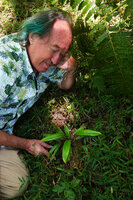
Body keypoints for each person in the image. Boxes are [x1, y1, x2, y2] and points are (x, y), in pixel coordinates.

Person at [0, 8, 77, 199]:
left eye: (63, 53)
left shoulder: (46, 60)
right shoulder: (4, 68)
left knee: (15, 184)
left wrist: (72, 66)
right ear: (33, 36)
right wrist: (25, 144)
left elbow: (66, 84)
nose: (56, 60)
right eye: (55, 49)